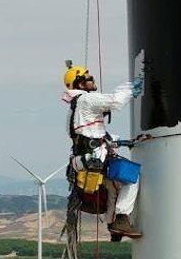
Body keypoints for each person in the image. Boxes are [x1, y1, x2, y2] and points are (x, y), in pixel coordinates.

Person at [61, 62, 144, 239]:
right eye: (89, 78)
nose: (93, 80)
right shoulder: (86, 100)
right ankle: (121, 220)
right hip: (94, 158)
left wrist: (117, 142)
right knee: (132, 178)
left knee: (113, 188)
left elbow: (89, 135)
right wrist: (133, 87)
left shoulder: (74, 109)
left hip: (83, 160)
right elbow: (115, 100)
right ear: (80, 83)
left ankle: (113, 225)